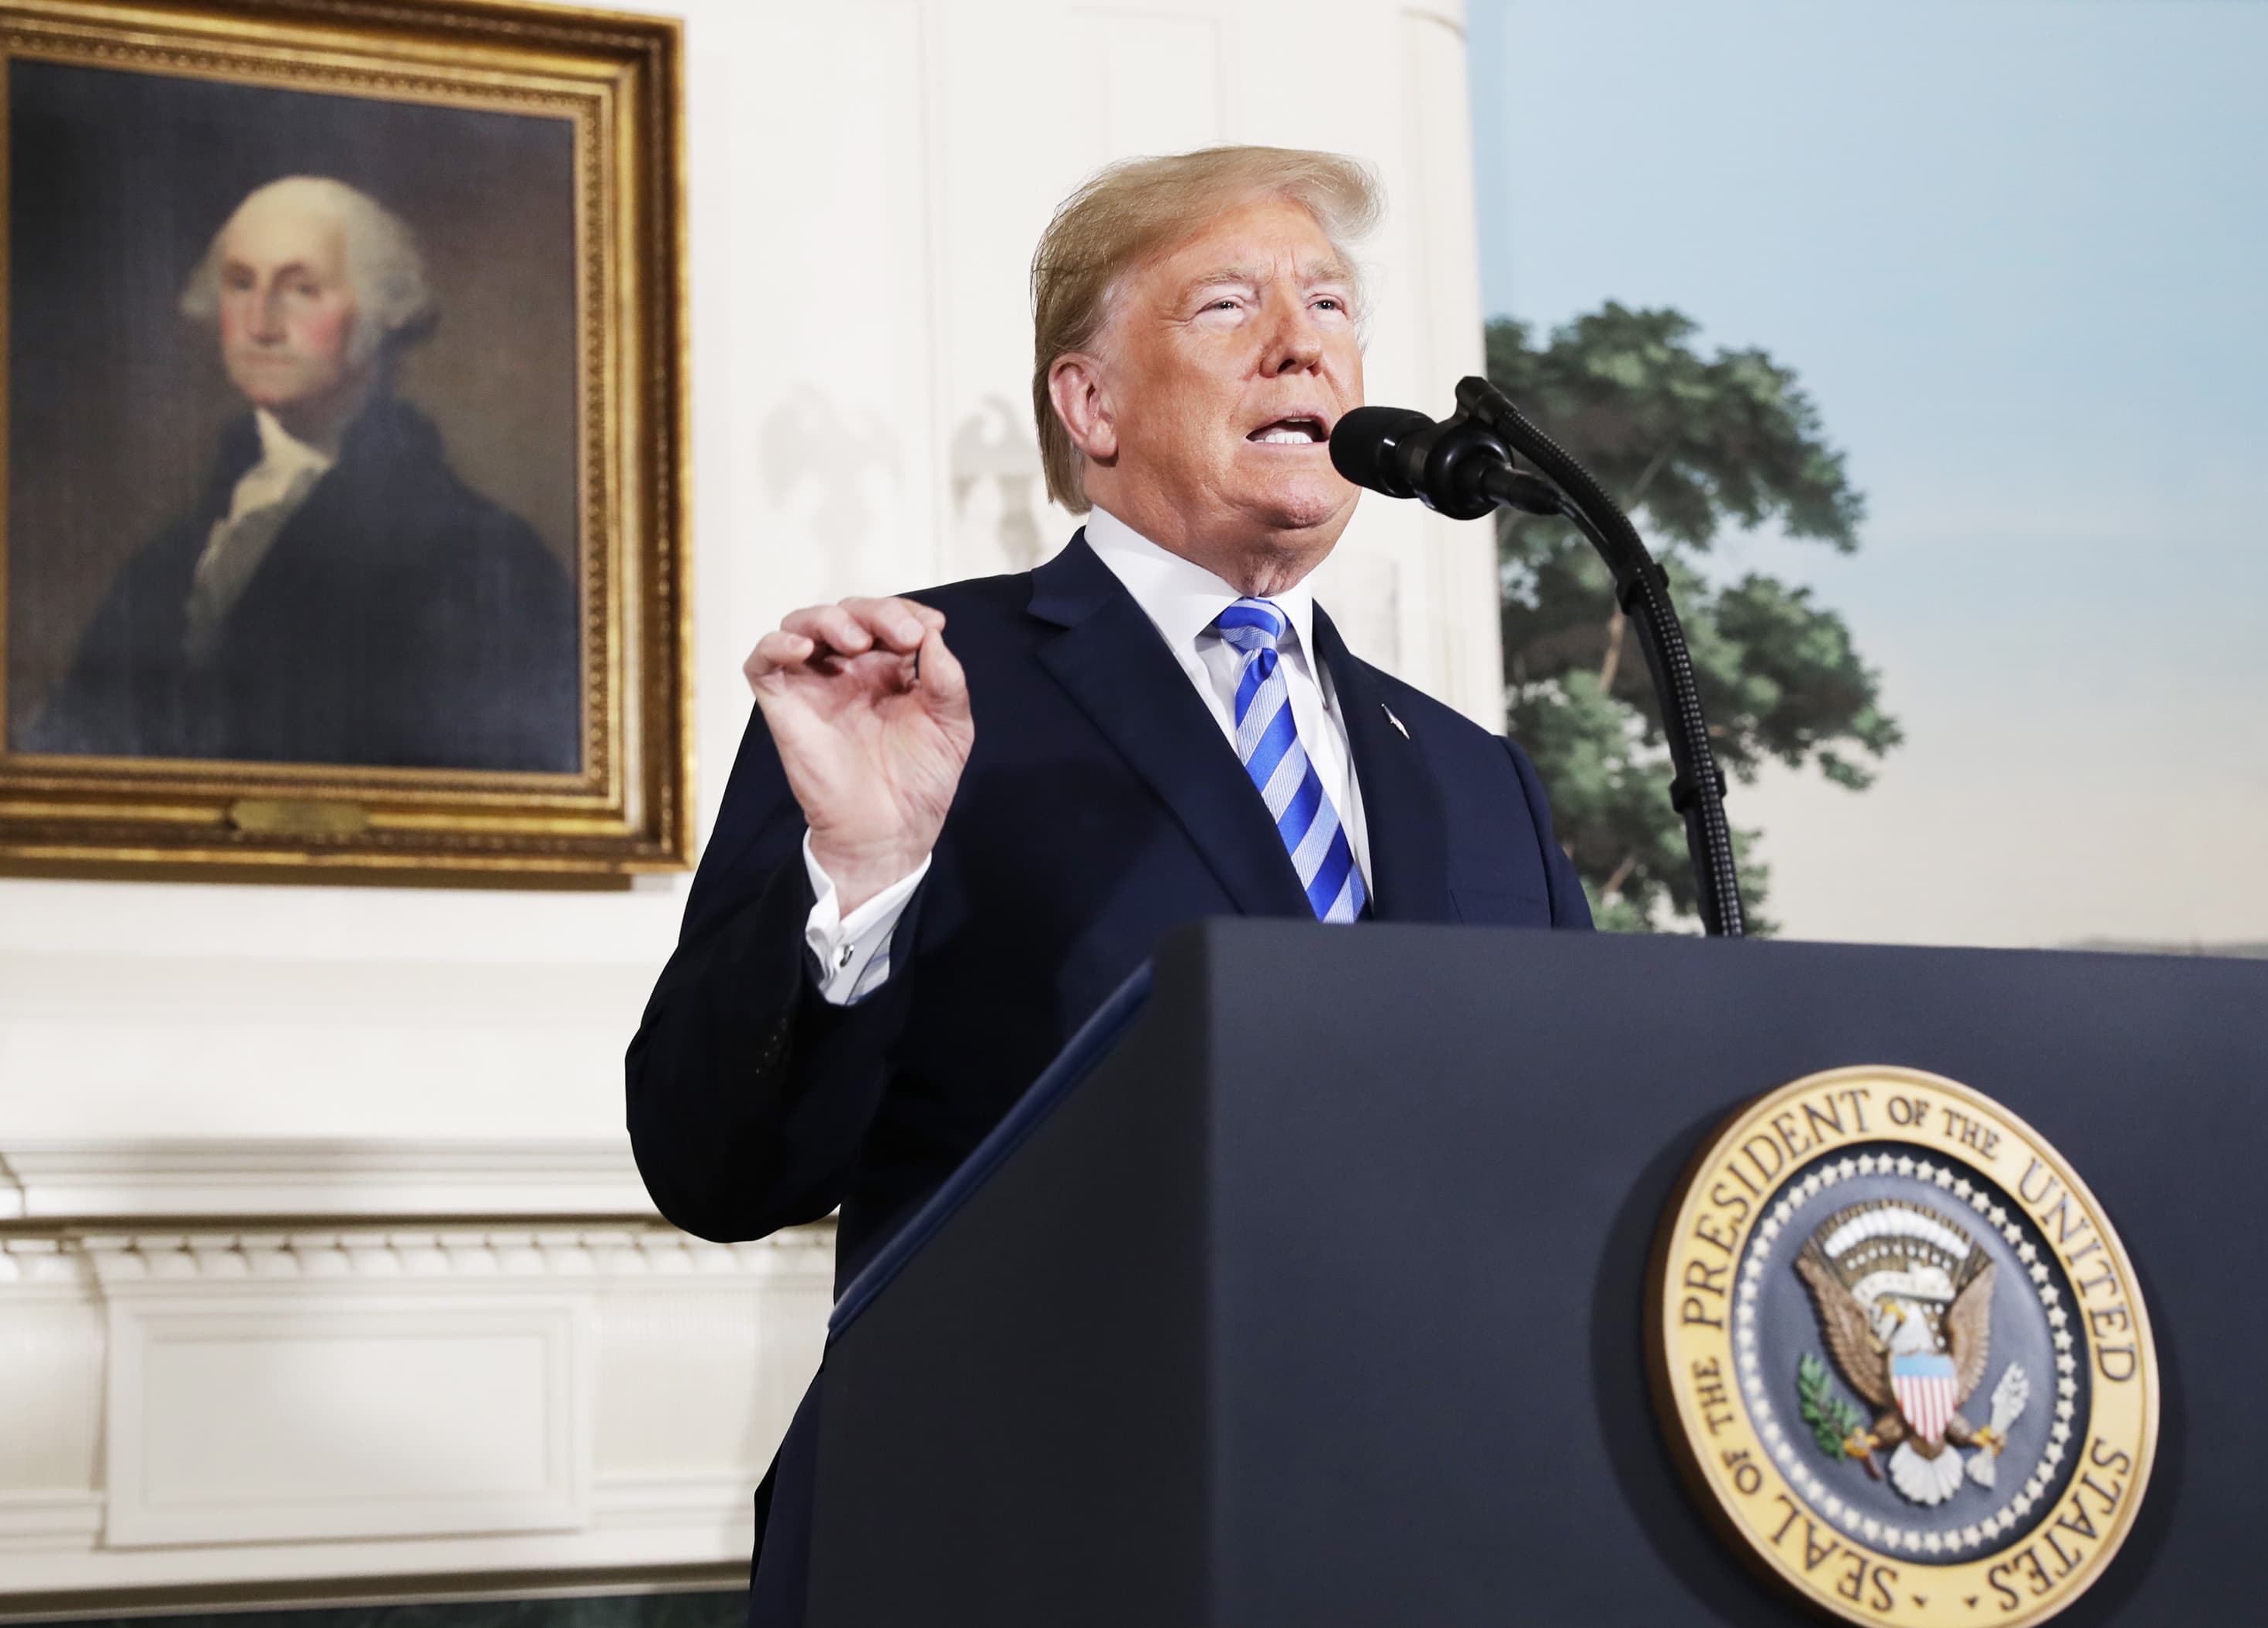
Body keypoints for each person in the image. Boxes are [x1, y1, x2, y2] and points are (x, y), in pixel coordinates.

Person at [625, 145, 1594, 1621]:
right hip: (1016, 1536)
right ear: (1092, 407)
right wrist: (866, 866)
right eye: (1228, 304)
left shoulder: (1476, 778)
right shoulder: (909, 688)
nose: (1303, 340)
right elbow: (716, 1163)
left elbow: (1564, 1170)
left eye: (1330, 304)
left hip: (1410, 1536)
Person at [21, 175, 579, 772]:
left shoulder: (484, 558)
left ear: (381, 312)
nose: (260, 323)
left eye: (302, 290)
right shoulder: (170, 558)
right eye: (240, 284)